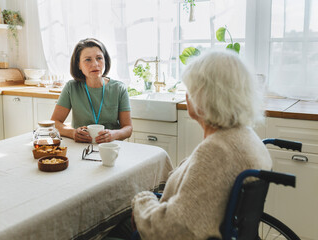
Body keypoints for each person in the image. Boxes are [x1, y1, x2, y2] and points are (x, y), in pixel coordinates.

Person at [105, 50, 272, 240]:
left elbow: (173, 230)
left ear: (204, 97)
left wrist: (142, 199)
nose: (186, 95)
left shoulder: (217, 150)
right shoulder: (243, 136)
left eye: (190, 89)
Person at [51, 38, 132, 143]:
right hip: (81, 147)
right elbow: (54, 122)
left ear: (105, 60)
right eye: (88, 60)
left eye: (99, 58)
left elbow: (128, 128)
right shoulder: (71, 87)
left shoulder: (119, 88)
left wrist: (113, 134)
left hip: (110, 146)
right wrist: (73, 133)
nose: (95, 64)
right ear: (78, 65)